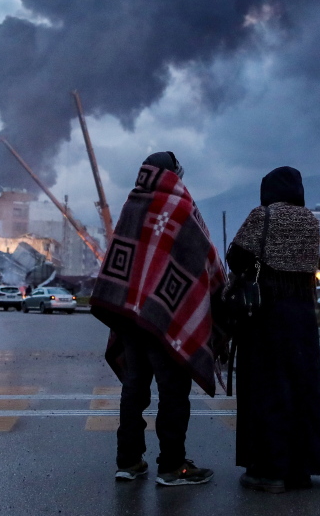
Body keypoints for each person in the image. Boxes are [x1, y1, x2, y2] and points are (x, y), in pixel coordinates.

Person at [91, 151, 226, 487]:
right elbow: (203, 259)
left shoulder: (132, 205)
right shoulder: (180, 208)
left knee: (134, 388)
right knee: (173, 391)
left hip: (132, 318)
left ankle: (129, 461)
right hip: (167, 317)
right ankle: (172, 466)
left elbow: (125, 259)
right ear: (174, 174)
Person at [227, 166, 320, 493]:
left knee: (267, 389)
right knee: (302, 388)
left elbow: (236, 256)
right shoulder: (311, 221)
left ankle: (269, 471)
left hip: (265, 315)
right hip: (302, 316)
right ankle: (299, 471)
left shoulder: (263, 216)